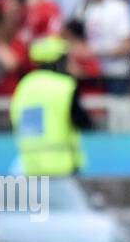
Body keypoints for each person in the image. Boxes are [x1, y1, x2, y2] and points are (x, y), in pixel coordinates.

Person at [9, 37, 93, 176]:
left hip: (30, 166)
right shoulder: (65, 85)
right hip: (62, 166)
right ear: (58, 61)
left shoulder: (24, 85)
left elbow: (15, 119)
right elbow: (83, 122)